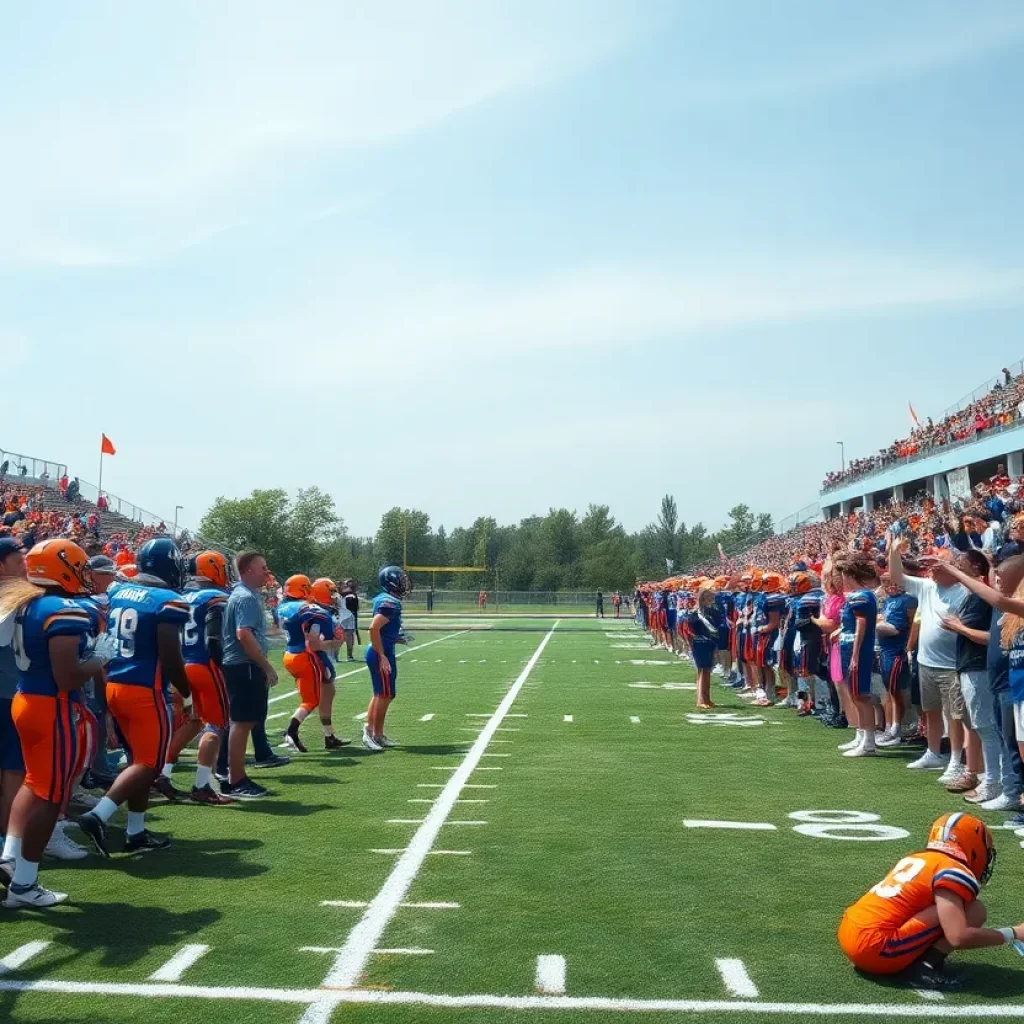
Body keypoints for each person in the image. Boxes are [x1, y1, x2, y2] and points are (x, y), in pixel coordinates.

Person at [0, 539, 113, 906]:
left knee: (33, 784)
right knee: (51, 795)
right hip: (53, 705)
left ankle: (12, 854)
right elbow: (68, 676)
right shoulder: (60, 608)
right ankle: (24, 884)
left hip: (27, 698)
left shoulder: (25, 602)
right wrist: (99, 658)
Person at [77, 538, 191, 857]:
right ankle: (98, 816)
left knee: (137, 762)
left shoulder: (115, 592)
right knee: (149, 763)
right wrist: (186, 691)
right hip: (145, 690)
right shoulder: (166, 599)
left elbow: (102, 642)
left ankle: (135, 832)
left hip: (114, 684)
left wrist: (104, 690)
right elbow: (170, 655)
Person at [838, 812, 1011, 991]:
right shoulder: (953, 869)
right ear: (973, 845)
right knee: (975, 910)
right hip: (876, 948)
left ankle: (913, 957)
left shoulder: (916, 858)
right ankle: (926, 966)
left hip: (848, 932)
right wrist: (1012, 934)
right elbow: (958, 936)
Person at [888, 535, 966, 774]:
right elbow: (896, 576)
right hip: (927, 661)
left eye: (937, 564)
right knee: (931, 710)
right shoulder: (927, 586)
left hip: (952, 664)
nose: (930, 569)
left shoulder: (963, 591)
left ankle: (955, 759)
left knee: (954, 714)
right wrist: (893, 551)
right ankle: (933, 752)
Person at [163, 551, 234, 805]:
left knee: (192, 722)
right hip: (206, 665)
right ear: (213, 569)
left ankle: (164, 774)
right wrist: (222, 665)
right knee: (216, 724)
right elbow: (214, 637)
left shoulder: (182, 596)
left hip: (183, 664)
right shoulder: (215, 598)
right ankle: (202, 784)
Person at [218, 552, 282, 800]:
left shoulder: (247, 595)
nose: (267, 572)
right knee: (242, 722)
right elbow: (243, 633)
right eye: (263, 568)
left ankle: (234, 776)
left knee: (243, 722)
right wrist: (266, 666)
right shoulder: (245, 597)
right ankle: (237, 779)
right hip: (244, 664)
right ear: (247, 571)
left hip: (242, 664)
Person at [832, 551, 880, 757]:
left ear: (850, 576)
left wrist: (855, 653)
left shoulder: (862, 595)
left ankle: (869, 741)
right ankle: (861, 735)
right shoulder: (855, 596)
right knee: (855, 694)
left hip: (857, 648)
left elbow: (861, 623)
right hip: (848, 646)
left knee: (861, 694)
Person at [363, 565, 411, 752]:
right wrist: (382, 655)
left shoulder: (388, 600)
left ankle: (378, 734)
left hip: (384, 649)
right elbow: (373, 628)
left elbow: (382, 630)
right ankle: (370, 732)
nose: (404, 582)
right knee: (382, 694)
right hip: (379, 652)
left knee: (385, 693)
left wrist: (396, 638)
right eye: (401, 579)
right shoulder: (389, 602)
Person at [0, 538, 28, 852]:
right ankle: (9, 847)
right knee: (13, 771)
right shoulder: (12, 596)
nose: (25, 566)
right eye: (18, 561)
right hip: (7, 694)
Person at [688, 586, 720, 709]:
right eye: (710, 597)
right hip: (699, 642)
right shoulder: (696, 613)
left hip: (709, 642)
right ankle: (700, 699)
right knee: (701, 670)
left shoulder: (711, 611)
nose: (712, 600)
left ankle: (707, 698)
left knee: (707, 671)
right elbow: (691, 628)